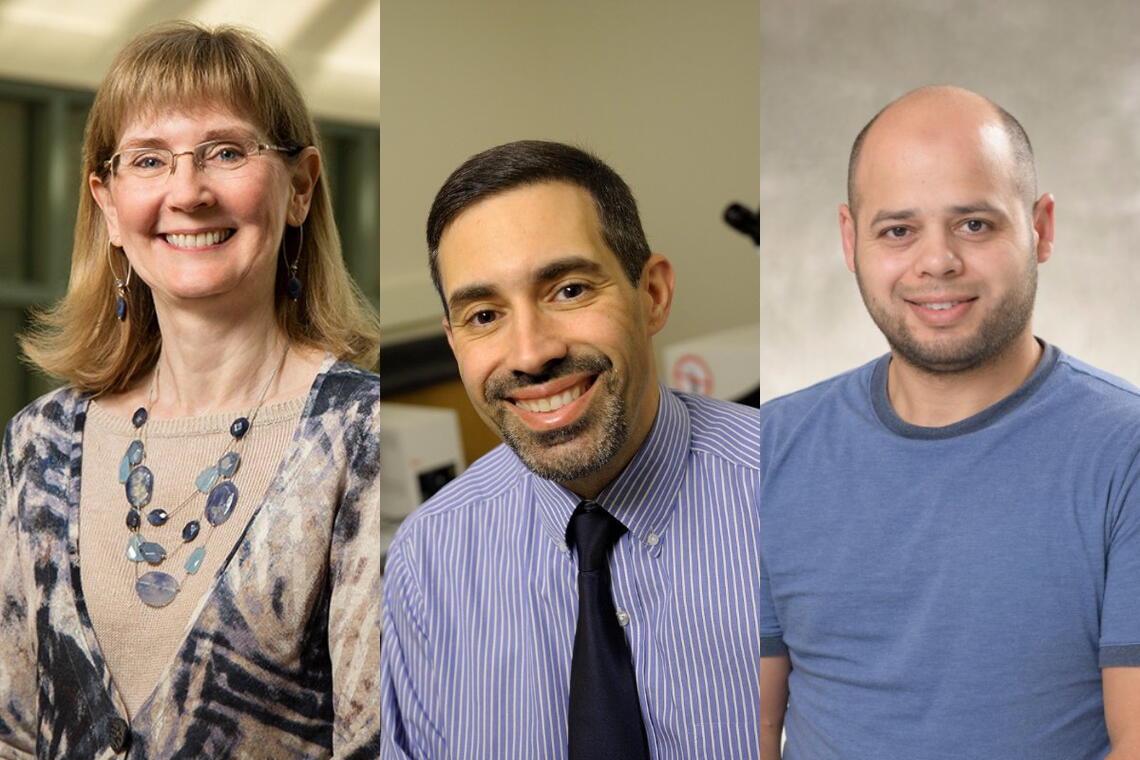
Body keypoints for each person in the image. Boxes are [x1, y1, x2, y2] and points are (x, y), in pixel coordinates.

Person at [0, 22, 383, 759]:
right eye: (148, 160)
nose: (187, 192)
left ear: (300, 187)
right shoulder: (38, 442)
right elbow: (13, 729)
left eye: (227, 152)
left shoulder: (359, 434)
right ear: (108, 205)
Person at [759, 86, 1140, 759]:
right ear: (851, 240)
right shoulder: (767, 450)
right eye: (898, 230)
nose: (937, 262)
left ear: (1041, 228)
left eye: (974, 224)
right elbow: (745, 728)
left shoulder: (1124, 453)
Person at [380, 140, 760, 759]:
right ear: (454, 342)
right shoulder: (428, 560)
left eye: (570, 290)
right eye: (483, 316)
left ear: (655, 294)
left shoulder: (801, 501)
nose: (531, 353)